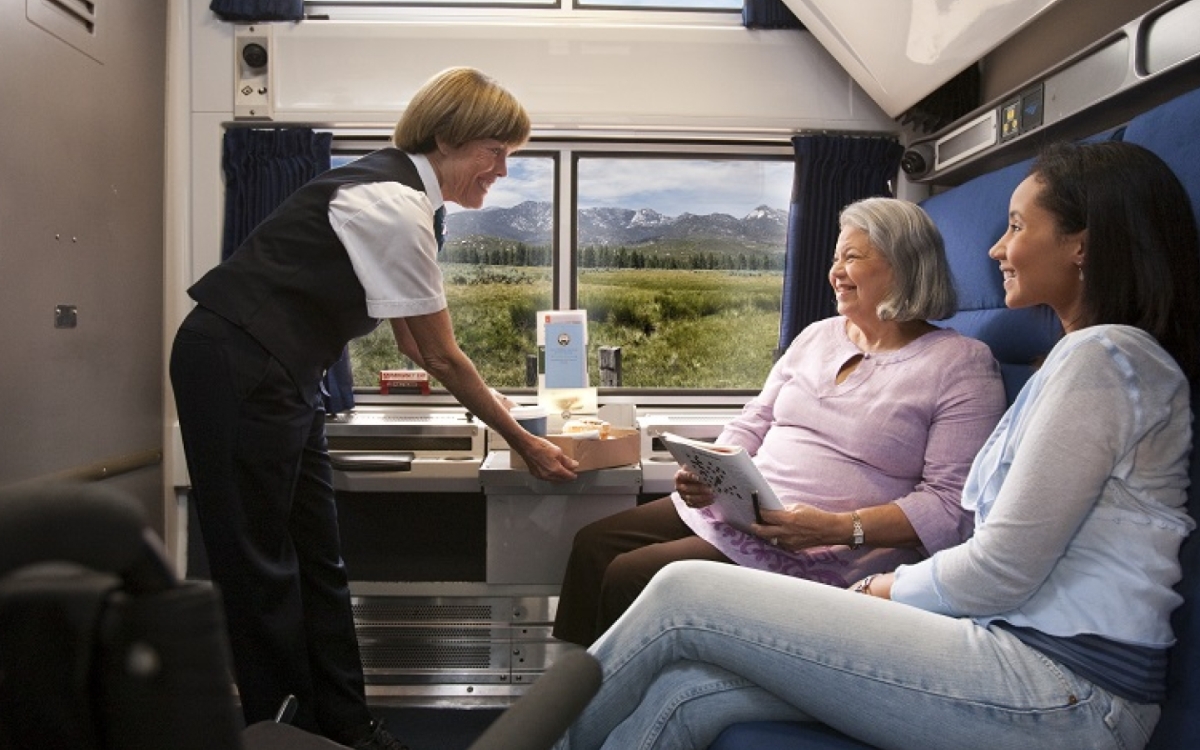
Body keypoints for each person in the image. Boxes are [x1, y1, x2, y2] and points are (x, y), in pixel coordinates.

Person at [552, 139, 1200, 750]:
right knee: (684, 692)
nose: (998, 249)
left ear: (1082, 246)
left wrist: (876, 592)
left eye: (1017, 227)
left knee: (680, 593)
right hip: (1007, 647)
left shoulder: (1102, 359)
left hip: (1066, 691)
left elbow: (997, 564)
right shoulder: (1069, 362)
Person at [170, 67, 578, 750]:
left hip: (283, 373)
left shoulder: (412, 205)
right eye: (494, 151)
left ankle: (347, 724)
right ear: (447, 137)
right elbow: (443, 357)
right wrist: (523, 443)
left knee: (318, 559)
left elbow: (417, 346)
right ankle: (283, 730)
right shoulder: (391, 202)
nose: (503, 170)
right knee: (259, 564)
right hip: (238, 363)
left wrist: (502, 406)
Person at [553, 197, 1008, 647]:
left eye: (852, 257)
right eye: (835, 257)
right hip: (745, 508)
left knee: (634, 575)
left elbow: (951, 509)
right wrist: (709, 467)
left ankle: (608, 708)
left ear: (905, 265)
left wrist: (835, 527)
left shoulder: (960, 364)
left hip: (831, 541)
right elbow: (758, 417)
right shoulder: (817, 335)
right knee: (593, 544)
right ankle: (571, 692)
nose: (835, 272)